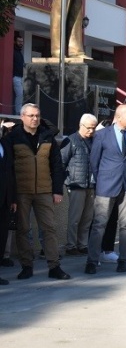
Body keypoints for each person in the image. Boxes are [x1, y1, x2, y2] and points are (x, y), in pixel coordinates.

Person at [5, 103, 70, 280]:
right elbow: (8, 169)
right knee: (23, 229)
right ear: (22, 117)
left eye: (37, 115)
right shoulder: (13, 137)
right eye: (31, 115)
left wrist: (57, 191)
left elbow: (57, 165)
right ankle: (27, 266)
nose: (35, 119)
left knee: (49, 228)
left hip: (44, 191)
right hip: (21, 192)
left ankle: (54, 266)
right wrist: (11, 196)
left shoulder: (47, 136)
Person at [85, 105, 126, 274]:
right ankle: (92, 261)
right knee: (99, 225)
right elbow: (94, 162)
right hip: (106, 186)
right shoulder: (101, 135)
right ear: (119, 116)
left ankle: (123, 260)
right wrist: (102, 180)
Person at [60, 113, 98, 256]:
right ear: (81, 126)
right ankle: (71, 245)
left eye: (94, 128)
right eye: (89, 128)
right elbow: (62, 162)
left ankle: (82, 244)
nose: (91, 131)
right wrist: (66, 182)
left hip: (91, 185)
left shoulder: (95, 140)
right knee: (74, 218)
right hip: (75, 185)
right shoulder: (70, 140)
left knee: (87, 218)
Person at [0, 133, 16, 285]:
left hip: (5, 199)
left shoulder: (5, 143)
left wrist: (13, 198)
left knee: (2, 237)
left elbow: (11, 172)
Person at [13, 35, 25, 115]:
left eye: (22, 41)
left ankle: (19, 110)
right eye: (19, 41)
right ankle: (18, 111)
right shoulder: (13, 51)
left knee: (21, 94)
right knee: (19, 94)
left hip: (21, 77)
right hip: (15, 76)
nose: (21, 43)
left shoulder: (19, 52)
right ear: (15, 42)